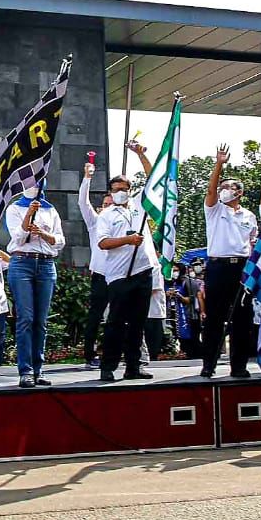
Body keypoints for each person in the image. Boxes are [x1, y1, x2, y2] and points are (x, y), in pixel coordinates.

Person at [96, 151, 158, 382]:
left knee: (138, 323)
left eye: (124, 188)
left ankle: (134, 365)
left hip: (142, 270)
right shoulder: (106, 215)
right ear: (110, 192)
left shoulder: (140, 205)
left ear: (130, 190)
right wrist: (127, 240)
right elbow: (103, 243)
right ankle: (108, 366)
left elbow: (154, 178)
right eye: (116, 189)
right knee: (116, 322)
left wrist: (141, 155)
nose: (120, 192)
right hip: (119, 275)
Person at [201, 144, 259, 379]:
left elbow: (253, 243)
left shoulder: (249, 216)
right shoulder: (214, 210)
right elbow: (210, 190)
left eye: (229, 187)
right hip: (217, 266)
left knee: (242, 318)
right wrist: (219, 164)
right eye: (222, 187)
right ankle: (209, 364)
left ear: (239, 193)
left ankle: (239, 366)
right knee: (214, 318)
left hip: (241, 268)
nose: (224, 190)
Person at [4, 177, 65, 388]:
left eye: (36, 183)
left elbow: (60, 241)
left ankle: (38, 369)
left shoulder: (50, 210)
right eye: (28, 183)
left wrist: (44, 234)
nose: (32, 187)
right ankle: (26, 371)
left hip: (46, 264)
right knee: (26, 318)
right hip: (22, 262)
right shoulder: (14, 208)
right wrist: (28, 214)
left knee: (41, 320)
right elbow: (18, 238)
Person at [77, 162, 113, 369]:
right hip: (100, 274)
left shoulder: (124, 221)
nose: (108, 207)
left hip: (120, 275)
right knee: (95, 316)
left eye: (111, 204)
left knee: (119, 316)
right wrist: (87, 177)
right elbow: (83, 202)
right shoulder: (95, 222)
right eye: (105, 204)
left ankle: (113, 352)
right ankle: (89, 354)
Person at [144, 268, 168, 361]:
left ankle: (152, 356)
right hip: (145, 312)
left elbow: (153, 289)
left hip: (154, 311)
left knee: (152, 339)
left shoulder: (155, 268)